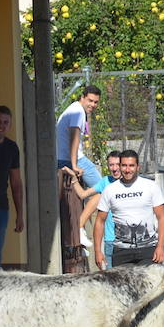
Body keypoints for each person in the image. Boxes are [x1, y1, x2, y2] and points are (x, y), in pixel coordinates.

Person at [93, 150, 164, 268]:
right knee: (122, 286)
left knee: (149, 285)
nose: (127, 170)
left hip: (148, 250)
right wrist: (97, 251)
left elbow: (162, 217)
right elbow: (99, 221)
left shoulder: (151, 186)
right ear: (120, 166)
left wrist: (160, 246)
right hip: (121, 250)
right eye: (124, 165)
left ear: (138, 167)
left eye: (131, 165)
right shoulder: (110, 190)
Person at [56, 84, 104, 246]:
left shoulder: (73, 109)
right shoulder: (78, 112)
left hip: (63, 158)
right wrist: (75, 164)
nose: (92, 105)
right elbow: (74, 137)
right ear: (82, 97)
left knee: (93, 193)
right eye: (90, 100)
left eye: (96, 102)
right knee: (105, 189)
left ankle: (79, 226)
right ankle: (80, 226)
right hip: (72, 158)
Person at [0, 105, 24, 268]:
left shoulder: (12, 148)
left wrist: (20, 214)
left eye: (5, 122)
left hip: (1, 207)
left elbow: (16, 183)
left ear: (9, 126)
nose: (0, 126)